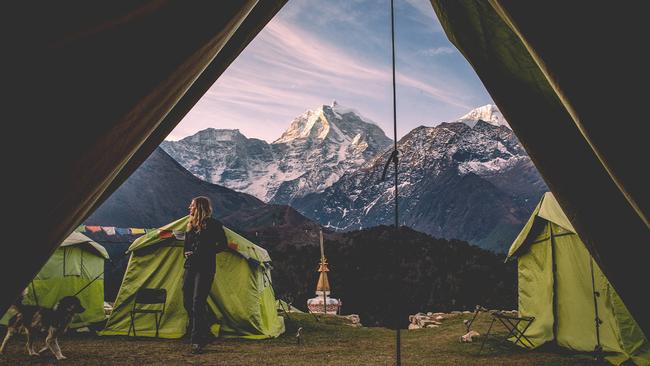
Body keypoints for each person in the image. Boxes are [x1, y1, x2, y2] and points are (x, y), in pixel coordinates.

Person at [182, 196, 228, 354]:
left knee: (197, 302)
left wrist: (204, 252)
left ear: (199, 207)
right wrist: (186, 253)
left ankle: (196, 340)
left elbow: (223, 245)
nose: (189, 207)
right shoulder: (190, 225)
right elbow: (186, 245)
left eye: (192, 205)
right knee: (186, 299)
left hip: (206, 267)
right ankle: (206, 331)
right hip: (190, 266)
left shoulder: (215, 225)